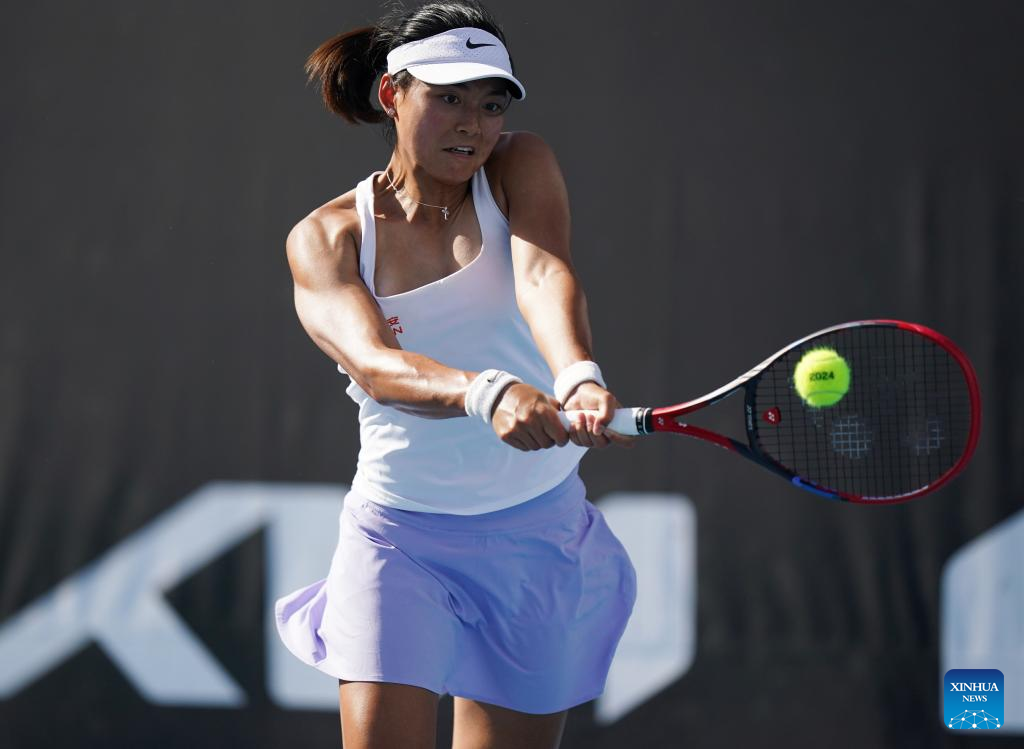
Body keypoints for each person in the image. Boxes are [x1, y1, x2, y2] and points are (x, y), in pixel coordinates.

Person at [274, 2, 637, 747]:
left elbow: (542, 273)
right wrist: (488, 391)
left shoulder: (520, 164)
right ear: (392, 94)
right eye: (449, 98)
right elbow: (376, 365)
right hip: (398, 540)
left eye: (492, 103)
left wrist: (577, 375)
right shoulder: (327, 237)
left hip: (537, 534)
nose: (474, 123)